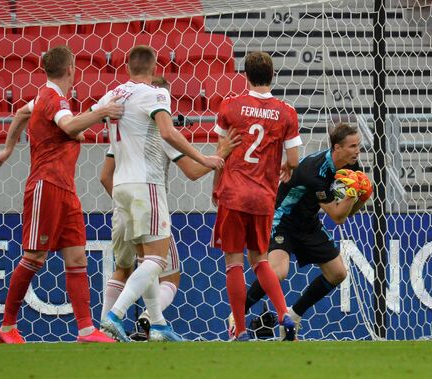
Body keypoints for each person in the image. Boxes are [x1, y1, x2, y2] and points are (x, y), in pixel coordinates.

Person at [0, 45, 124, 344]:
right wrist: (100, 112)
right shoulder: (53, 97)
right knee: (34, 256)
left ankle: (86, 330)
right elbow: (69, 124)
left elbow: (22, 113)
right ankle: (7, 328)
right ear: (71, 68)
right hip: (46, 186)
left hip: (65, 188)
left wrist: (9, 148)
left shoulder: (43, 98)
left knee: (76, 257)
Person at [98, 46, 224, 342]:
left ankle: (157, 324)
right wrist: (207, 158)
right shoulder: (156, 95)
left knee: (139, 262)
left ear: (126, 66)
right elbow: (169, 133)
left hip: (120, 188)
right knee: (158, 259)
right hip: (147, 186)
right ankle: (115, 315)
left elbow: (87, 125)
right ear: (155, 69)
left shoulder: (114, 97)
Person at [230, 122, 373, 340]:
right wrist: (353, 194)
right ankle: (237, 315)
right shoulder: (315, 172)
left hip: (308, 223)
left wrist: (361, 198)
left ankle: (294, 316)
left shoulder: (353, 168)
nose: (357, 151)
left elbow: (348, 213)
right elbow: (337, 217)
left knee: (338, 273)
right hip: (282, 220)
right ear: (337, 148)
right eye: (352, 146)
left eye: (358, 145)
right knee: (278, 272)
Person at [211, 51, 303, 341]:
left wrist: (217, 185)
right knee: (261, 260)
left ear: (246, 76)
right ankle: (283, 315)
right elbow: (295, 159)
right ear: (272, 76)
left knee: (234, 263)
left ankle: (239, 329)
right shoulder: (286, 111)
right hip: (263, 197)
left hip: (234, 193)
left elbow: (221, 152)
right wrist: (286, 166)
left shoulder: (230, 107)